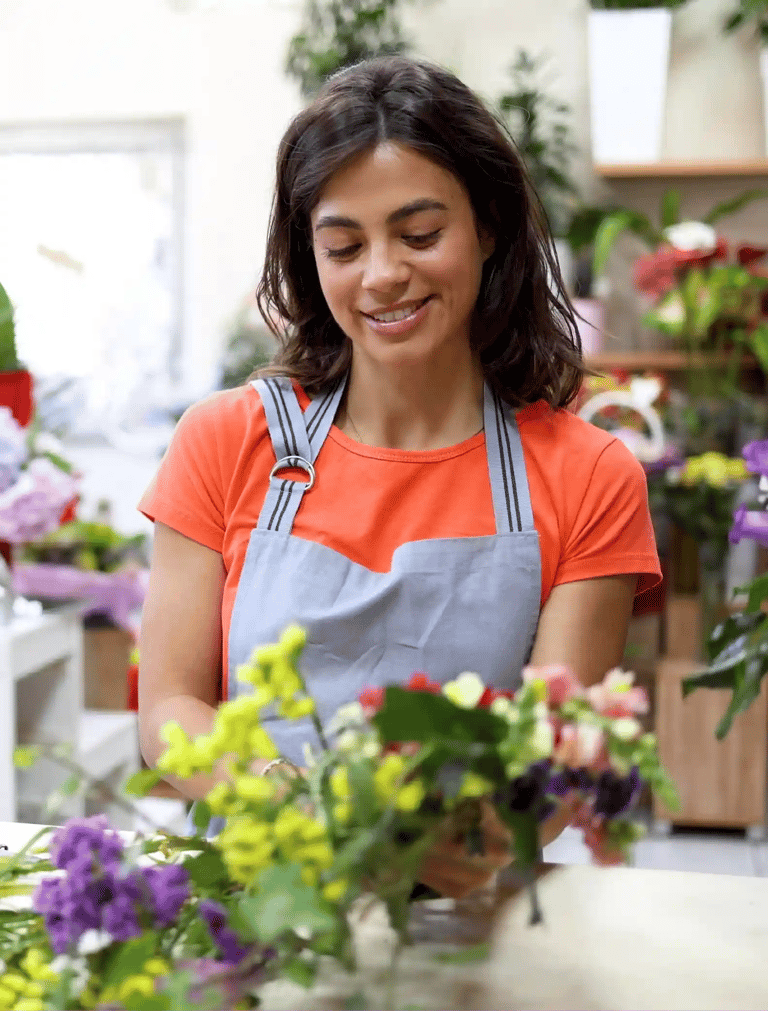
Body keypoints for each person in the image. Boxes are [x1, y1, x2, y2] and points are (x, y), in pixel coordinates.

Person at [137, 55, 661, 898]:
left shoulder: (587, 474)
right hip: (259, 905)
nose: (382, 273)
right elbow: (168, 710)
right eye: (344, 245)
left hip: (470, 919)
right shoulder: (224, 441)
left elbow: (555, 753)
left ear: (488, 228)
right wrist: (296, 805)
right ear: (311, 258)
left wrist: (445, 842)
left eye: (420, 234)